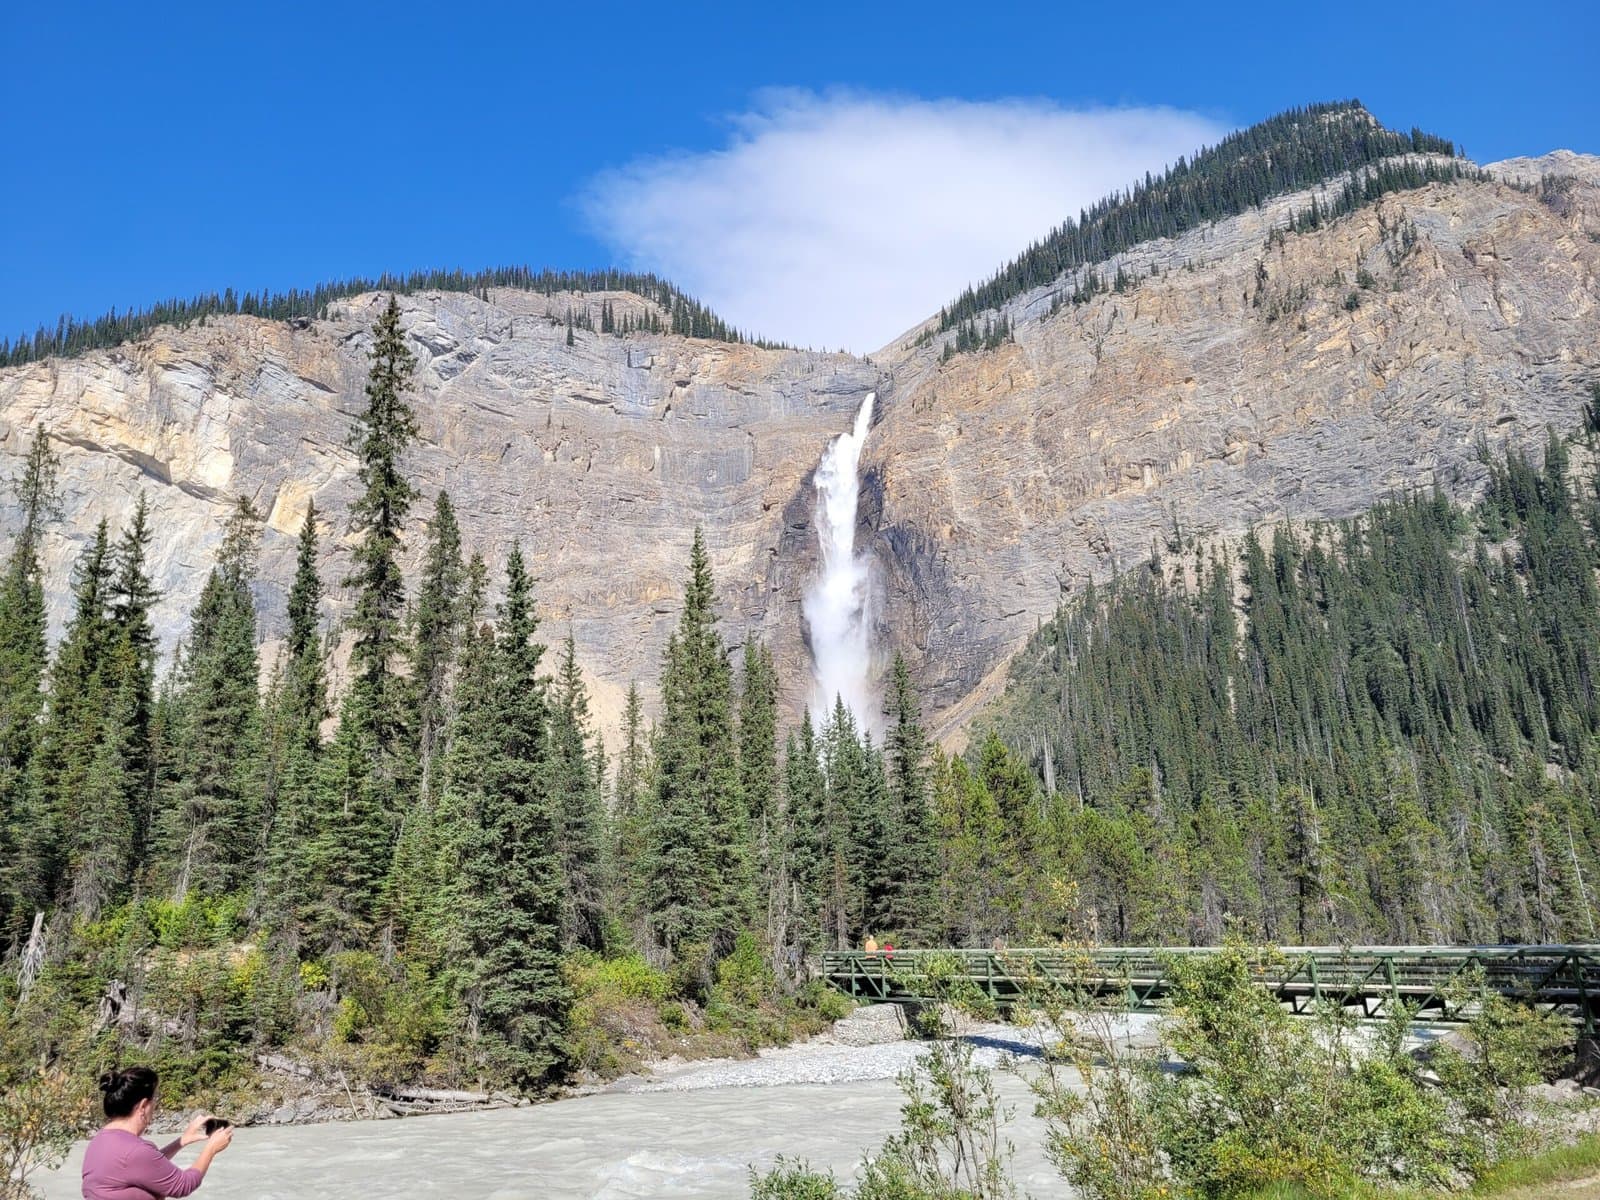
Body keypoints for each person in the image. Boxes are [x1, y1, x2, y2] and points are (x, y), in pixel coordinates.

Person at [82, 1066, 233, 1200]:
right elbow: (183, 1185)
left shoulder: (101, 1140)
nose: (155, 1105)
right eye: (155, 1099)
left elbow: (144, 1166)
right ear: (143, 1106)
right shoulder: (135, 1151)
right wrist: (211, 1148)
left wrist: (182, 1141)